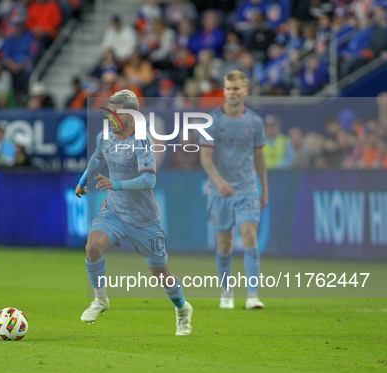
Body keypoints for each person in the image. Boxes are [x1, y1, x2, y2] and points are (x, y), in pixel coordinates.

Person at [75, 89, 192, 335]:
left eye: (117, 113)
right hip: (114, 211)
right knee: (93, 246)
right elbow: (97, 160)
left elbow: (149, 181)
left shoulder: (142, 140)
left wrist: (115, 184)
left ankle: (182, 309)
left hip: (143, 219)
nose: (111, 117)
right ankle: (100, 300)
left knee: (160, 273)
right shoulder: (104, 137)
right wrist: (83, 180)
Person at [199, 70, 268, 310]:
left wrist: (264, 189)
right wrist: (218, 181)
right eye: (229, 88)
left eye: (236, 88)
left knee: (249, 236)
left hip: (247, 188)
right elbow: (205, 158)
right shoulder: (212, 121)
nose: (232, 93)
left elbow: (259, 157)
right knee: (225, 244)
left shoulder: (255, 122)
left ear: (245, 91)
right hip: (220, 192)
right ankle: (226, 289)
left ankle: (252, 295)